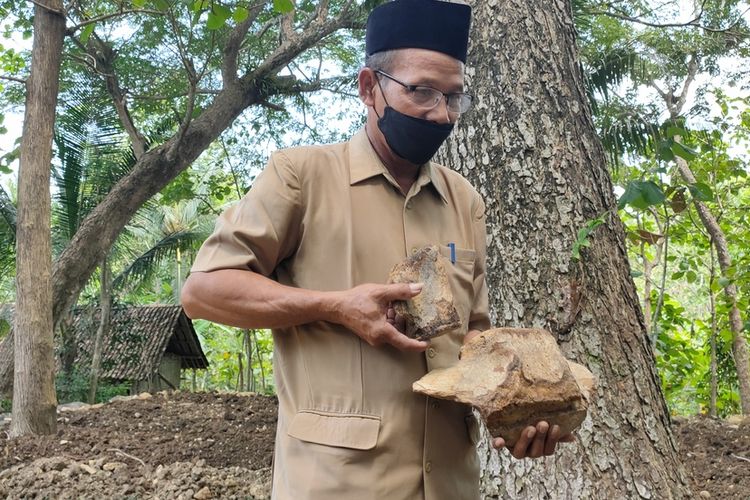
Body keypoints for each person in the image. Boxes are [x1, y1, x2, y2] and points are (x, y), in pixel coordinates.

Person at [182, 0, 571, 498]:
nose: (441, 113)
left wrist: (517, 409)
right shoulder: (301, 177)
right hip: (336, 483)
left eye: (454, 98)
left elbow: (473, 335)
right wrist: (333, 307)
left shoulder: (465, 200)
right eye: (422, 92)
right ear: (369, 87)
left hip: (451, 481)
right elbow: (204, 291)